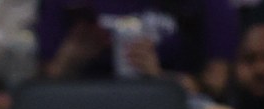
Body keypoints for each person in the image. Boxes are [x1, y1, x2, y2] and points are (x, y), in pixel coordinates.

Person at [37, 0, 242, 91]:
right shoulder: (68, 5)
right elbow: (40, 89)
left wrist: (161, 79)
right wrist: (68, 62)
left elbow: (216, 85)